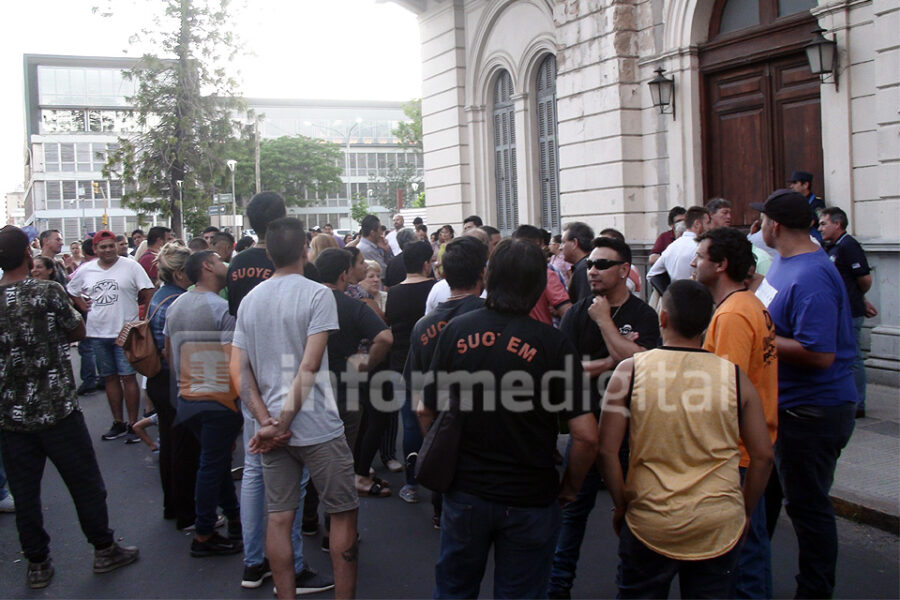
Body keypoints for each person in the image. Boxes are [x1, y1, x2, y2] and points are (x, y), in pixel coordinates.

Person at [419, 238, 598, 599]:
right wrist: (571, 486)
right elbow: (586, 435)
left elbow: (426, 408)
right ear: (537, 287)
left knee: (455, 588)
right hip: (530, 495)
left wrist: (442, 457)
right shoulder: (553, 343)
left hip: (466, 490)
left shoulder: (456, 330)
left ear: (489, 276)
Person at [598, 279, 773, 599]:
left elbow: (607, 451)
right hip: (718, 521)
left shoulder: (630, 371)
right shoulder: (735, 377)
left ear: (662, 318)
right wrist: (745, 510)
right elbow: (762, 455)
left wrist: (621, 503)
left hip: (649, 518)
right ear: (707, 323)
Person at [0, 225, 139, 590]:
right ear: (29, 256)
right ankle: (104, 549)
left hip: (12, 415)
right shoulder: (47, 290)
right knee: (85, 484)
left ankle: (37, 563)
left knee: (26, 493)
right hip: (58, 407)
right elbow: (78, 330)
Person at [232, 217, 357, 599]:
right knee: (342, 513)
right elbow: (309, 364)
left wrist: (264, 421)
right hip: (317, 426)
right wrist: (281, 421)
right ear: (305, 249)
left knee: (279, 519)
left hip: (271, 431)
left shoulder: (251, 300)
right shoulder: (318, 295)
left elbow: (239, 369)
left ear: (268, 252)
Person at [752, 189, 857, 598]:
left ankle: (814, 591)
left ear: (774, 226)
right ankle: (752, 583)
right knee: (765, 502)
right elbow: (773, 307)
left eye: (762, 220)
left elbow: (819, 353)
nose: (758, 226)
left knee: (809, 508)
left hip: (812, 411)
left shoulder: (812, 275)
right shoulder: (784, 262)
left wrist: (760, 339)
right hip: (785, 408)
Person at [226, 192, 329, 593]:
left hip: (254, 380)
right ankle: (293, 566)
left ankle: (255, 562)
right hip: (294, 388)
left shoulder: (238, 266)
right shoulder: (300, 273)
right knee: (293, 480)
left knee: (255, 469)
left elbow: (239, 329)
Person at [548, 236, 659, 599]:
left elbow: (647, 366)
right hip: (587, 428)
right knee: (571, 515)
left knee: (632, 516)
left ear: (625, 270)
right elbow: (563, 372)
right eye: (590, 265)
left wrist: (606, 326)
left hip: (632, 434)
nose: (592, 271)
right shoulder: (578, 312)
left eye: (602, 265)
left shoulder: (643, 315)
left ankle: (631, 588)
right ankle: (557, 587)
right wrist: (613, 360)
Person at [691, 227, 779, 599]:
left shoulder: (732, 316)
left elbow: (727, 394)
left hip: (738, 453)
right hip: (747, 448)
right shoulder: (747, 304)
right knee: (750, 550)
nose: (694, 262)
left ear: (721, 265)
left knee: (742, 558)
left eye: (701, 256)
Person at [164, 250, 243, 557]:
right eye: (219, 260)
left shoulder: (176, 305)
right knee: (211, 465)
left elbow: (169, 354)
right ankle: (204, 533)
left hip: (187, 398)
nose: (226, 264)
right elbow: (232, 361)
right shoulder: (222, 308)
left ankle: (233, 518)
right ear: (208, 267)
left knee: (216, 461)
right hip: (217, 400)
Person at [405, 235, 487, 525]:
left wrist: (433, 440)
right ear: (482, 273)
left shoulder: (423, 326)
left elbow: (416, 390)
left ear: (442, 274)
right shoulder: (489, 317)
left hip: (441, 425)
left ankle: (440, 515)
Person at [67, 230, 155, 443]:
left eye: (110, 245)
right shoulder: (86, 269)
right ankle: (118, 422)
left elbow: (149, 292)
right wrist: (81, 305)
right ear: (95, 249)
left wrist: (144, 320)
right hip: (97, 333)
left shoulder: (131, 266)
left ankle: (134, 424)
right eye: (102, 246)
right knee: (110, 378)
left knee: (128, 377)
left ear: (116, 246)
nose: (107, 250)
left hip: (126, 334)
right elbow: (70, 290)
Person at [146, 242, 201, 531]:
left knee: (170, 445)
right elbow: (174, 350)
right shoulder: (178, 302)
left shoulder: (160, 296)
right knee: (185, 448)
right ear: (180, 273)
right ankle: (186, 513)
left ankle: (173, 505)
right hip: (174, 378)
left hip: (158, 380)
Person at [377, 241, 436, 499]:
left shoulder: (395, 294)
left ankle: (411, 483)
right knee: (437, 423)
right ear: (425, 264)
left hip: (401, 365)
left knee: (410, 425)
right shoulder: (435, 289)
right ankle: (438, 479)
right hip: (432, 365)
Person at [819, 207, 878, 418]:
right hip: (838, 310)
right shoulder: (832, 246)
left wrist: (857, 297)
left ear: (838, 224)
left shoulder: (849, 246)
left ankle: (858, 402)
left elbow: (864, 278)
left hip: (850, 311)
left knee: (852, 356)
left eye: (824, 223)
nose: (820, 227)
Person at [512, 225, 571, 325]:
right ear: (538, 245)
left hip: (508, 336)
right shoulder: (545, 274)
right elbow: (567, 311)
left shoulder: (503, 273)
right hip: (539, 334)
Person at [647, 206, 710, 285]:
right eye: (707, 223)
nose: (710, 227)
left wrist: (668, 291)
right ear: (697, 224)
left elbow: (652, 275)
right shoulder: (701, 247)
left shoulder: (671, 247)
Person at [788, 170, 825, 242]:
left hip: (811, 241)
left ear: (805, 185)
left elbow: (809, 223)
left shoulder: (816, 203)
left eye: (795, 183)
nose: (791, 186)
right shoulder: (794, 202)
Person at [562, 221, 595, 303]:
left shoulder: (583, 269)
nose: (560, 247)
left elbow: (583, 306)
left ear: (574, 243)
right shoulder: (583, 266)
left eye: (563, 242)